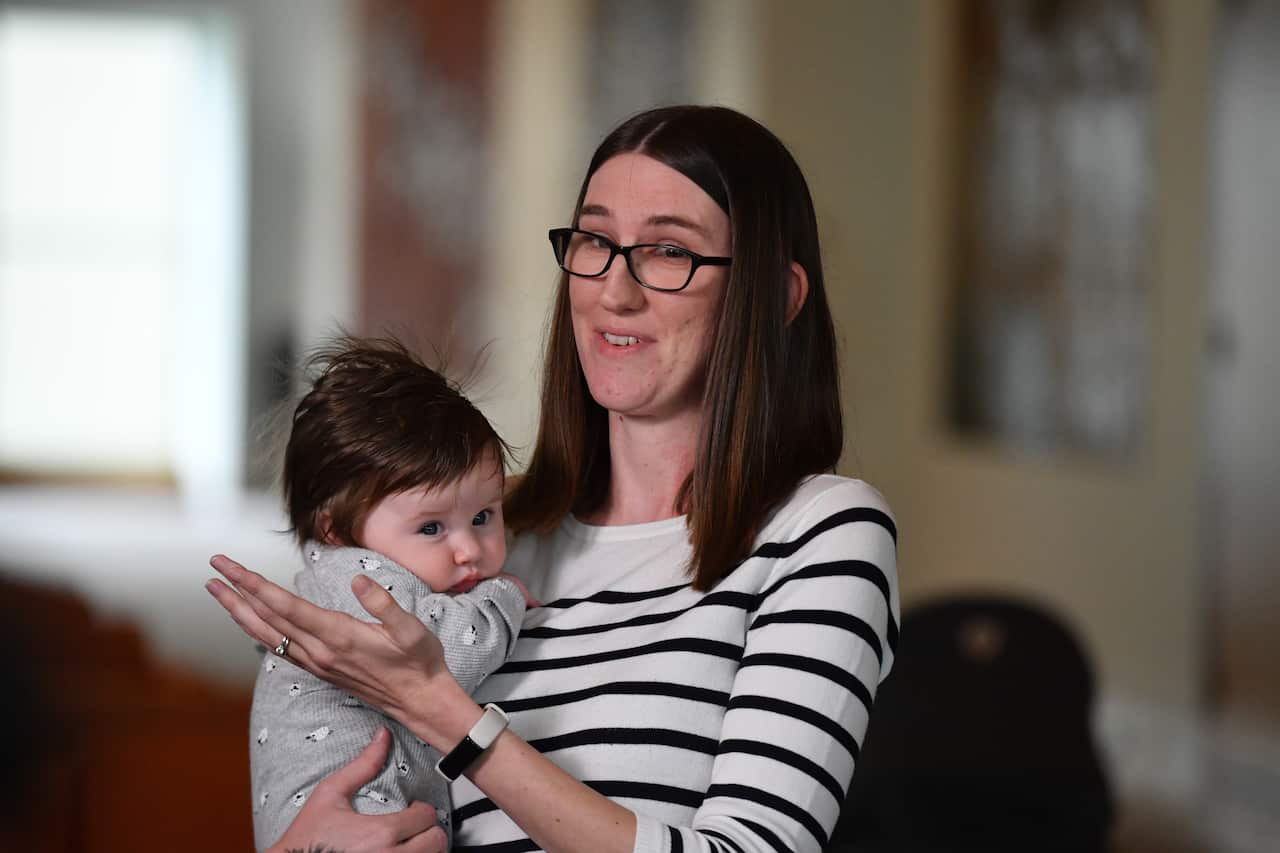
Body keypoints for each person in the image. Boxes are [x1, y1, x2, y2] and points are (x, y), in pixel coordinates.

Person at [207, 104, 900, 853]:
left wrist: (443, 712)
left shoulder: (821, 532)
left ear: (777, 296)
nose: (613, 291)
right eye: (597, 241)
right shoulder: (486, 537)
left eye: (669, 251)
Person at [247, 337, 533, 851]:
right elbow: (455, 654)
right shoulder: (356, 577)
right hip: (354, 818)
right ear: (336, 530)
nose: (469, 549)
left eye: (483, 516)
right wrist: (506, 596)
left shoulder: (357, 567)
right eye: (431, 529)